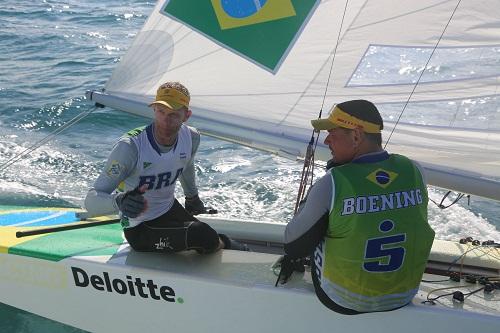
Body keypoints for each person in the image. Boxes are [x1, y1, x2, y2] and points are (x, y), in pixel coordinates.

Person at [280, 100, 435, 314]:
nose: (327, 140)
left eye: (333, 133)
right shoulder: (414, 170)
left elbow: (293, 245)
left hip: (343, 298)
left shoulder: (333, 182)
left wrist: (315, 195)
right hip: (403, 294)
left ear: (356, 136)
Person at [84, 81, 246, 253]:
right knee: (202, 235)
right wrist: (120, 201)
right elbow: (91, 200)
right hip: (139, 227)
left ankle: (228, 247)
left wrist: (192, 198)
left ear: (186, 115)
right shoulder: (130, 147)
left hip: (169, 209)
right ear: (154, 110)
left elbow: (186, 167)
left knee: (204, 234)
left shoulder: (191, 137)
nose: (166, 121)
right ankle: (227, 245)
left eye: (174, 114)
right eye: (161, 112)